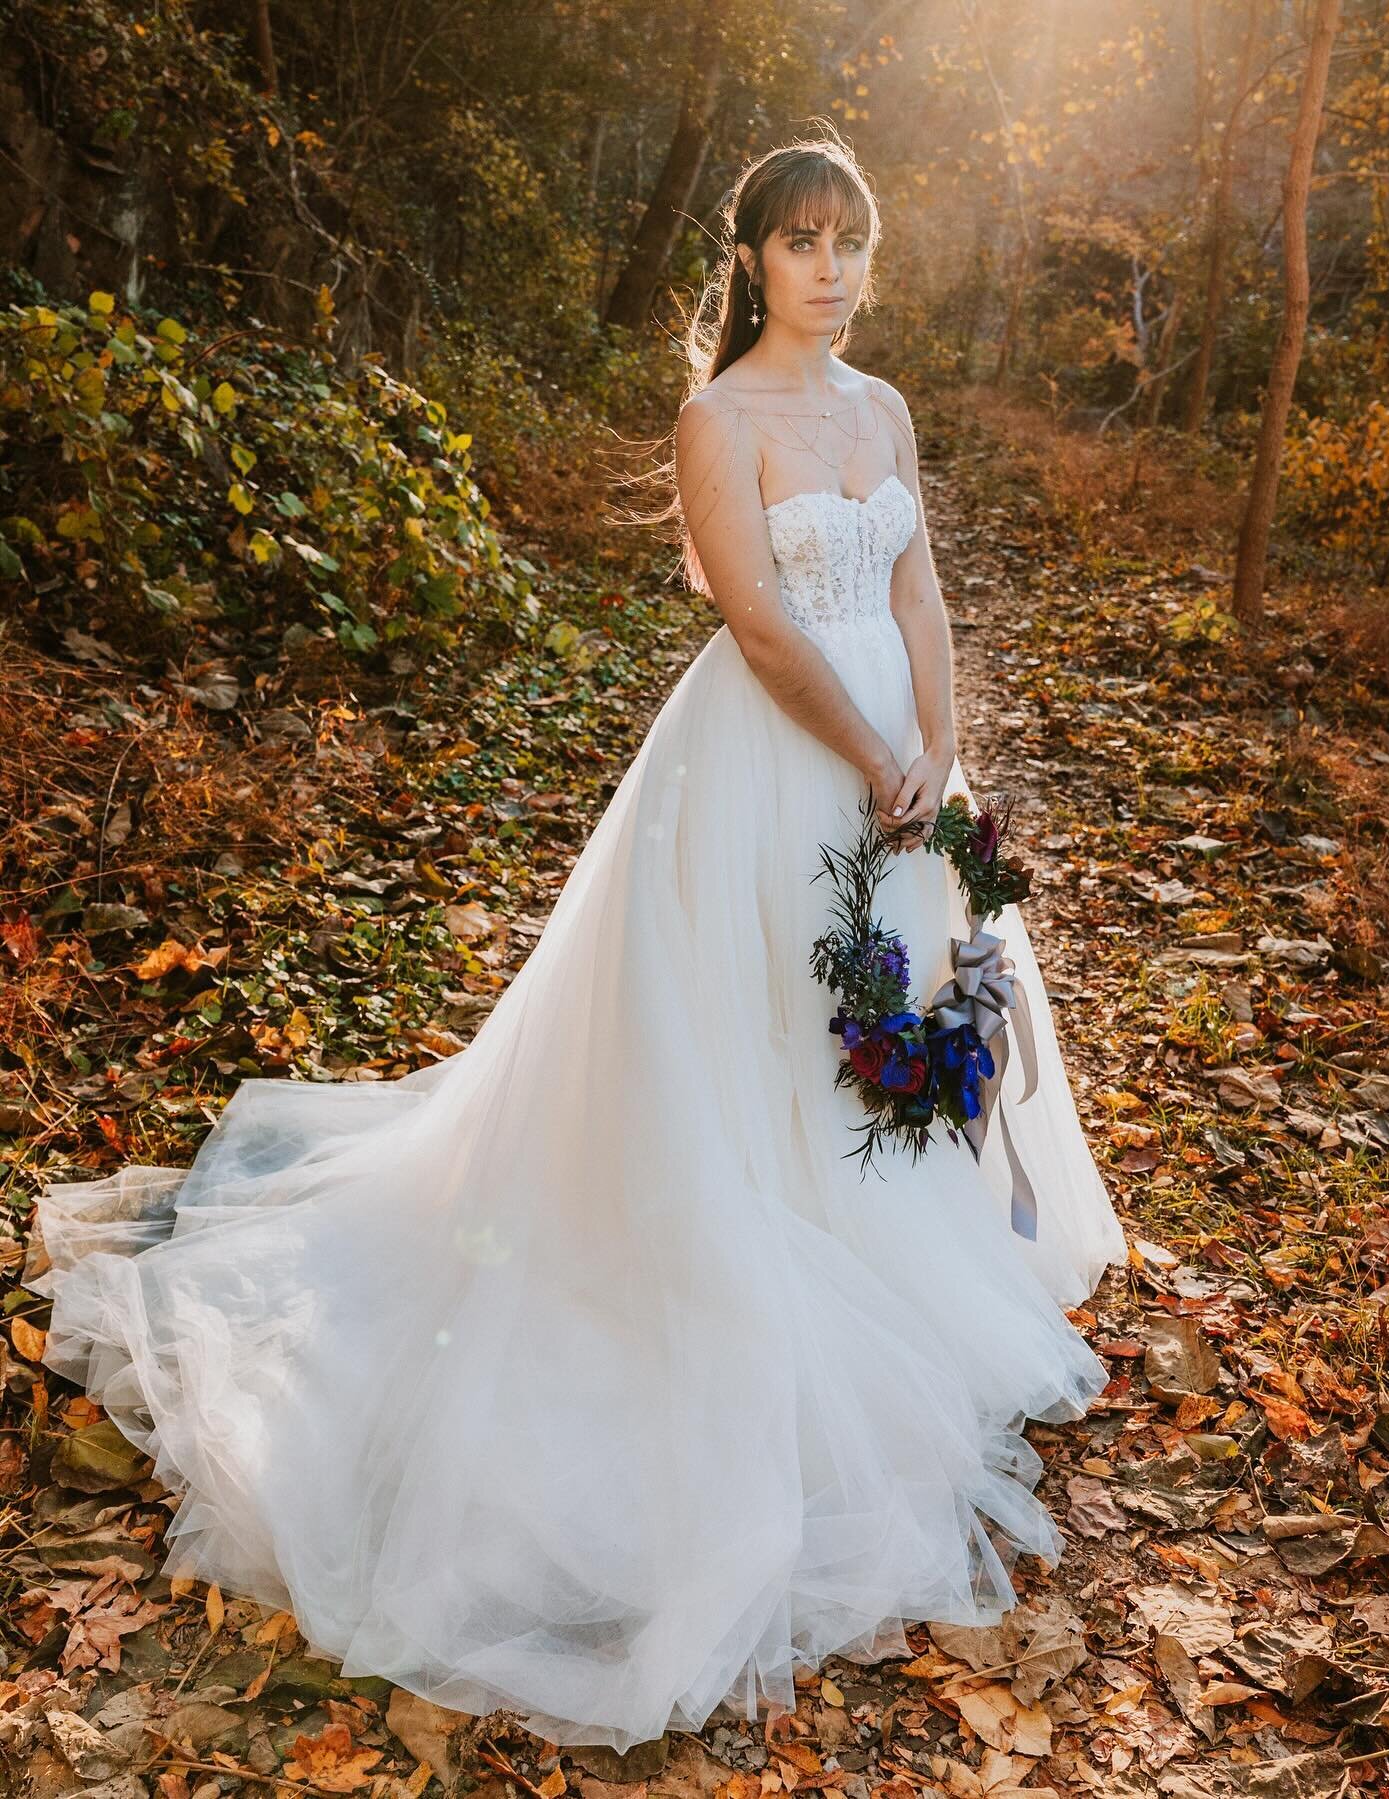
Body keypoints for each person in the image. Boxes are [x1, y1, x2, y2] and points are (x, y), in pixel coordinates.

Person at [24, 133, 1128, 1757]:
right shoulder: (718, 421)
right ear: (752, 258)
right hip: (772, 764)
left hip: (898, 777)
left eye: (850, 240)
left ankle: (894, 1268)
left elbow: (922, 600)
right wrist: (865, 756)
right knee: (753, 1030)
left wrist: (937, 761)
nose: (828, 265)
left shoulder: (884, 412)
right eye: (799, 240)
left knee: (881, 1036)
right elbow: (760, 623)